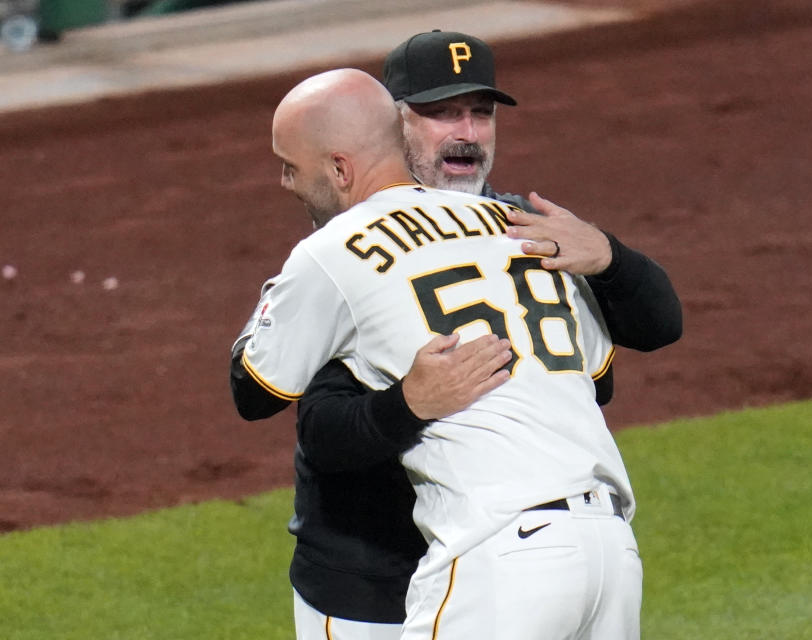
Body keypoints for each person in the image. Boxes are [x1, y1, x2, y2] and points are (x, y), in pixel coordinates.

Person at [230, 31, 681, 639]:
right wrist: (409, 403)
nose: (465, 131)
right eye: (441, 113)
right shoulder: (504, 234)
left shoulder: (355, 249)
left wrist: (610, 257)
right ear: (393, 126)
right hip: (407, 569)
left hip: (488, 556)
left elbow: (253, 392)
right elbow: (323, 428)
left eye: (479, 113)